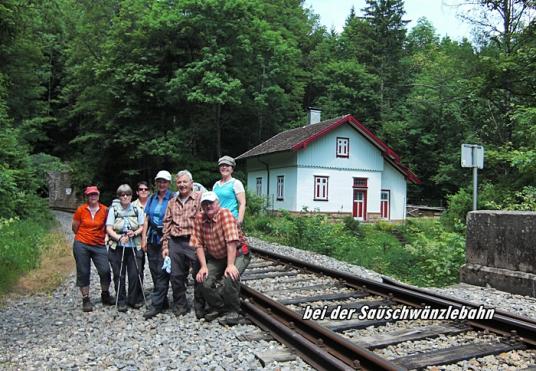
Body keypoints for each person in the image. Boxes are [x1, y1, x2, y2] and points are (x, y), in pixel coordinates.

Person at [144, 170, 203, 319]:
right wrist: (165, 247)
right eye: (180, 182)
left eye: (185, 182)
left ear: (191, 183)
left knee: (198, 274)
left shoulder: (199, 199)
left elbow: (205, 220)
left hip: (193, 239)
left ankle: (200, 305)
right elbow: (166, 225)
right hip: (175, 241)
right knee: (176, 276)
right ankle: (180, 305)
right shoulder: (172, 202)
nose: (182, 185)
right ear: (176, 184)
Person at [193, 191, 251, 324]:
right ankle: (219, 306)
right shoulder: (199, 218)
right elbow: (198, 244)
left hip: (238, 252)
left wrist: (230, 265)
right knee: (203, 281)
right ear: (202, 205)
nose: (208, 206)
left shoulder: (225, 214)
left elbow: (231, 241)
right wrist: (203, 266)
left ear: (217, 203)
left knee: (231, 277)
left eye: (211, 203)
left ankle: (233, 310)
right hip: (218, 256)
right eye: (205, 203)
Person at [72, 186, 113, 312]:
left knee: (105, 270)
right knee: (83, 271)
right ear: (87, 196)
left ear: (98, 195)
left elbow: (108, 225)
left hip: (99, 244)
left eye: (95, 194)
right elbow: (75, 227)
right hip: (82, 243)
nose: (93, 197)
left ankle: (105, 294)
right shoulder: (81, 210)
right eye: (90, 195)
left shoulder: (105, 210)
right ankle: (86, 298)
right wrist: (83, 237)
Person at [106, 184, 145, 312]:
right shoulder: (114, 210)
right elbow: (109, 228)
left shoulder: (136, 209)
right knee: (119, 275)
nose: (125, 197)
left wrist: (135, 233)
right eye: (122, 195)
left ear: (131, 195)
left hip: (134, 245)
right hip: (117, 246)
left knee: (135, 274)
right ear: (119, 196)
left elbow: (141, 226)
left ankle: (133, 299)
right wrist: (118, 237)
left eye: (127, 194)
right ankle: (121, 300)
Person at [141, 170, 173, 314]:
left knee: (162, 270)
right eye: (159, 181)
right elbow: (146, 219)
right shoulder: (152, 198)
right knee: (153, 268)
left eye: (164, 181)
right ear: (156, 183)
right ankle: (163, 299)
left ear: (169, 183)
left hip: (166, 237)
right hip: (153, 237)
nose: (162, 184)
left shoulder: (173, 198)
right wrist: (143, 238)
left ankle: (156, 304)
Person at [213, 156, 246, 226]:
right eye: (222, 165)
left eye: (227, 165)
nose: (224, 167)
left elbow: (242, 203)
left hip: (230, 220)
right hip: (216, 220)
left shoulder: (236, 183)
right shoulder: (216, 184)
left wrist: (239, 221)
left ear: (232, 169)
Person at [132, 181, 150, 287]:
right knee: (137, 267)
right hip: (137, 240)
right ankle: (138, 293)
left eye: (146, 189)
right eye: (141, 189)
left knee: (156, 267)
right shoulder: (132, 206)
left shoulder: (154, 203)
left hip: (152, 238)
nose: (143, 191)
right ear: (137, 192)